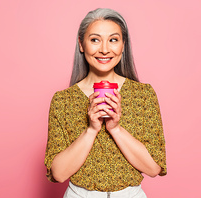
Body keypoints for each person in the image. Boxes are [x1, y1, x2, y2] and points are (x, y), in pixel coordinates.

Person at [44, 8, 167, 198]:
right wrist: (91, 129)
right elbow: (58, 174)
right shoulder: (63, 100)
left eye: (113, 39)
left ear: (123, 45)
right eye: (95, 39)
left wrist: (115, 128)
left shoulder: (143, 95)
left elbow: (153, 168)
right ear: (81, 44)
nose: (104, 49)